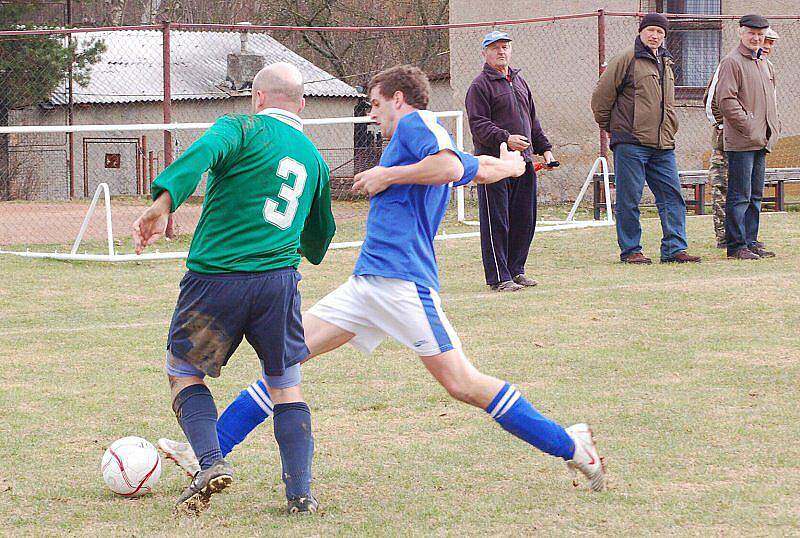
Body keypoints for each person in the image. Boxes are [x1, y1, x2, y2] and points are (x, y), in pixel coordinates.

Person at [158, 65, 607, 498]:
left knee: (463, 384)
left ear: (398, 100)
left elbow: (450, 168)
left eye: (375, 103)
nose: (371, 113)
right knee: (284, 366)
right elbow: (475, 168)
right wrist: (512, 167)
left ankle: (571, 446)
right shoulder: (415, 140)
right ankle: (206, 450)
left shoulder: (418, 126)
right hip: (367, 285)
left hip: (401, 284)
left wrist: (386, 175)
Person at [132, 62, 336, 515]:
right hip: (279, 284)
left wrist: (163, 203)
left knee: (184, 371)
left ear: (257, 98)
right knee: (285, 385)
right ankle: (300, 495)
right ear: (301, 104)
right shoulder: (313, 157)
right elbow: (320, 238)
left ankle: (209, 463)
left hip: (215, 280)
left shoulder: (240, 127)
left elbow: (202, 154)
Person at [591, 13, 701, 265]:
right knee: (629, 199)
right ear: (641, 32)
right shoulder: (626, 58)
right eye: (650, 30)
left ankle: (675, 249)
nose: (655, 36)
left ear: (665, 36)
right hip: (630, 143)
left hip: (663, 144)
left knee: (672, 197)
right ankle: (631, 250)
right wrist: (613, 128)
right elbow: (600, 98)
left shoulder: (666, 61)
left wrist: (670, 128)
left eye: (660, 32)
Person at [465, 30, 556, 291]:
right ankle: (499, 277)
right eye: (494, 48)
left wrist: (545, 150)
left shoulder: (520, 82)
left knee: (524, 219)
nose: (501, 51)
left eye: (505, 46)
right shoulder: (479, 86)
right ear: (485, 53)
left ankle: (517, 270)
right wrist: (506, 138)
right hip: (494, 164)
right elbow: (479, 125)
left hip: (523, 163)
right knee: (497, 221)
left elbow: (532, 121)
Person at [705, 26, 779, 251]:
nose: (764, 45)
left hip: (758, 139)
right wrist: (731, 126)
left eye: (768, 42)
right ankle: (731, 241)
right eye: (760, 39)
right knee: (729, 190)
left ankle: (749, 240)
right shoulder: (731, 63)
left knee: (753, 193)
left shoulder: (766, 67)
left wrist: (770, 130)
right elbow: (716, 101)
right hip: (733, 138)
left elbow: (768, 105)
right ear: (743, 34)